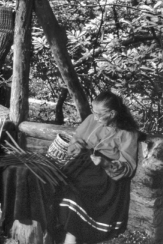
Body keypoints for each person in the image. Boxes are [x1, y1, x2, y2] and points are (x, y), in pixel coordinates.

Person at [59, 91, 139, 244]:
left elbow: (128, 166)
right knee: (61, 184)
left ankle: (71, 238)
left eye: (99, 114)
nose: (94, 117)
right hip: (82, 166)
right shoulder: (91, 119)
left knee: (77, 193)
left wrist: (104, 163)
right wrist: (76, 146)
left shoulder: (128, 133)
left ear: (112, 113)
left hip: (105, 177)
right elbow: (77, 139)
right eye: (93, 112)